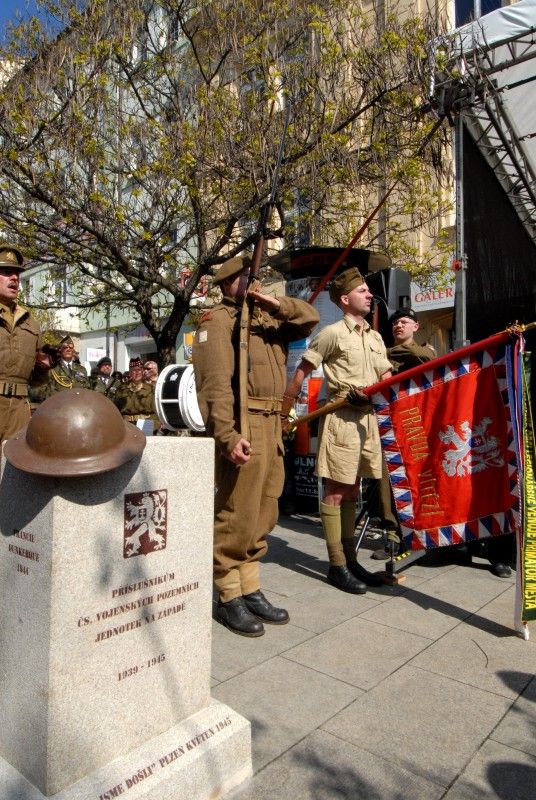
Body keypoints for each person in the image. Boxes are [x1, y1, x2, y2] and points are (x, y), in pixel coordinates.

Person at [193, 255, 319, 637]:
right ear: (227, 283)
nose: (252, 282)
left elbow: (310, 318)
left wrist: (276, 304)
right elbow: (213, 385)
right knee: (236, 513)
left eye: (254, 276)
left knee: (264, 510)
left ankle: (250, 587)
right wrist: (227, 436)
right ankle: (228, 595)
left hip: (271, 423)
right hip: (242, 424)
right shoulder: (218, 322)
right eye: (244, 277)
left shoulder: (267, 320)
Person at [283, 267, 392, 594]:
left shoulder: (374, 337)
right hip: (341, 417)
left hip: (367, 420)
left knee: (353, 487)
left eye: (368, 291)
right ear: (345, 299)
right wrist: (284, 410)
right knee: (335, 489)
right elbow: (303, 370)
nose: (369, 294)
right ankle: (336, 565)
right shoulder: (331, 333)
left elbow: (387, 378)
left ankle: (349, 558)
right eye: (362, 291)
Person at [371, 307, 436, 560]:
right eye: (395, 323)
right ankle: (393, 537)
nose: (399, 325)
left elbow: (426, 358)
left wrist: (387, 354)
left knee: (421, 479)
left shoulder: (425, 350)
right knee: (387, 479)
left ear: (416, 327)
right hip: (389, 422)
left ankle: (421, 534)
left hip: (418, 424)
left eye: (404, 322)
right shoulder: (385, 352)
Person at [0, 242, 51, 446]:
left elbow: (37, 384)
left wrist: (43, 368)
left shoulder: (31, 323)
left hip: (19, 411)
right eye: (6, 272)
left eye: (17, 274)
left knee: (14, 471)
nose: (14, 278)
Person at [32, 334, 90, 400]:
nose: (68, 349)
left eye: (71, 348)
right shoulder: (53, 369)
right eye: (65, 347)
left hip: (79, 406)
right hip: (60, 406)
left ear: (73, 351)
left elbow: (87, 390)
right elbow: (41, 392)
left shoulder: (82, 369)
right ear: (60, 350)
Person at [113, 356, 157, 426]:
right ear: (130, 372)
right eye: (134, 370)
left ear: (142, 371)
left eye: (139, 370)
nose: (137, 373)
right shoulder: (121, 389)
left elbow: (156, 411)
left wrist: (153, 425)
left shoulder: (151, 388)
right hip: (126, 424)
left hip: (146, 424)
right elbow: (115, 410)